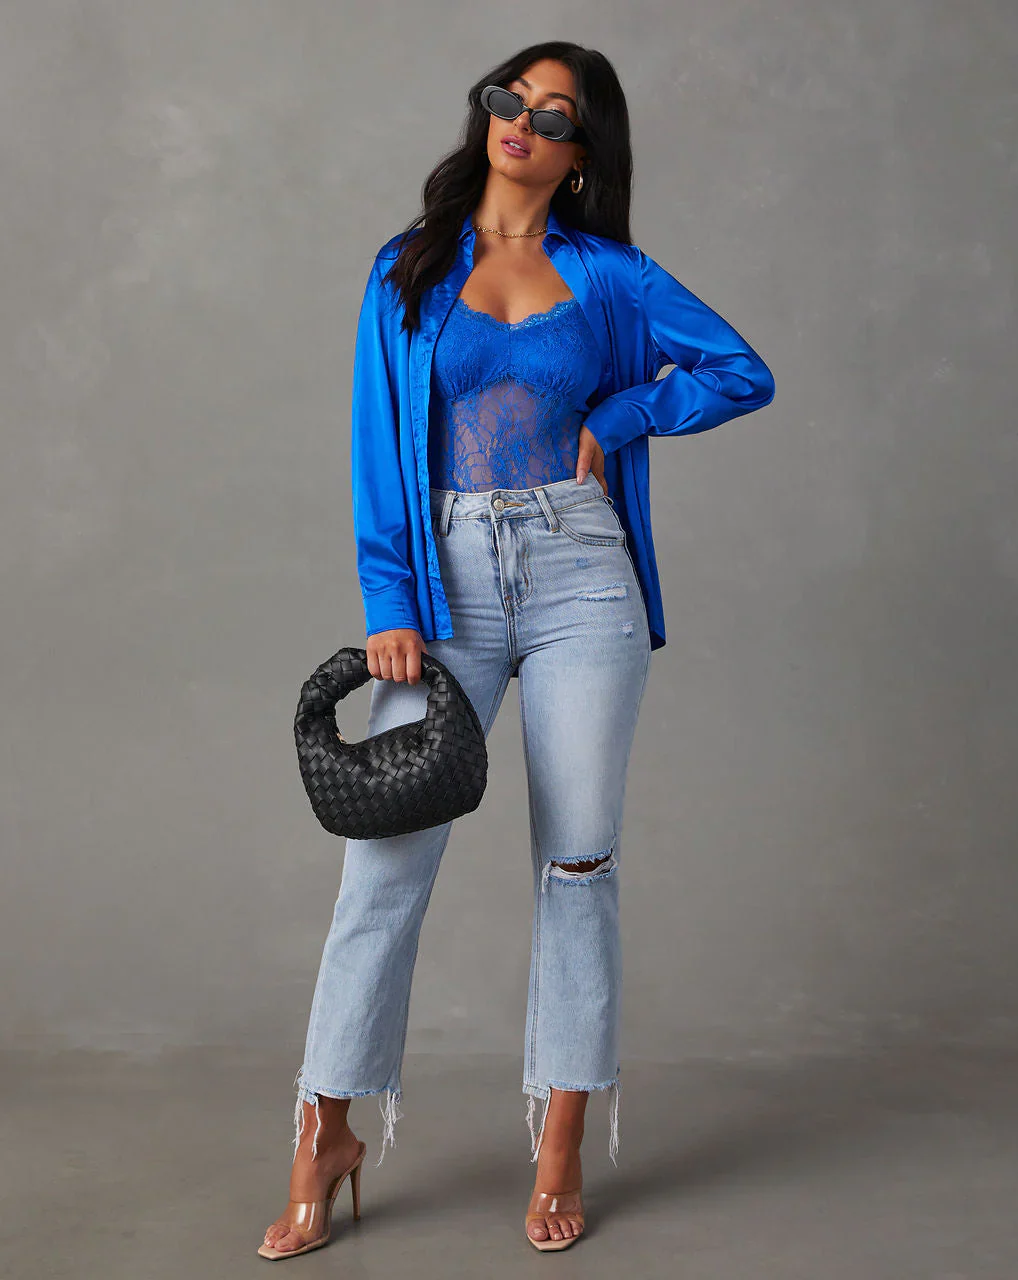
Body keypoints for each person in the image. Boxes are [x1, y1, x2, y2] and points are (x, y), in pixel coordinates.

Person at [260, 41, 775, 1259]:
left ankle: (559, 1143)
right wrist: (390, 595)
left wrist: (630, 406)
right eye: (509, 100)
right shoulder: (408, 265)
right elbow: (374, 445)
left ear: (581, 151)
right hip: (442, 585)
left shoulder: (610, 276)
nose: (519, 124)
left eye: (551, 115)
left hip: (581, 572)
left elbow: (739, 371)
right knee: (383, 865)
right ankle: (322, 1136)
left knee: (578, 864)